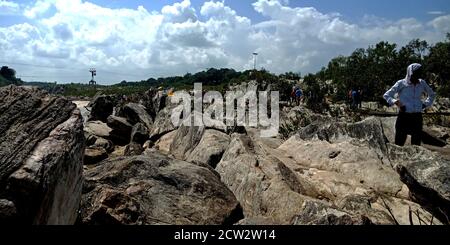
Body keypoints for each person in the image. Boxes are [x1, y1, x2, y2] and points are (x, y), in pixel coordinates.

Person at [383, 63, 436, 146]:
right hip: (404, 116)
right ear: (410, 73)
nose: (417, 76)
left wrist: (425, 104)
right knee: (399, 142)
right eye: (415, 74)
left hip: (417, 117)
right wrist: (397, 102)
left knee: (416, 143)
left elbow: (432, 95)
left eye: (419, 74)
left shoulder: (422, 83)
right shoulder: (401, 83)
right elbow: (387, 95)